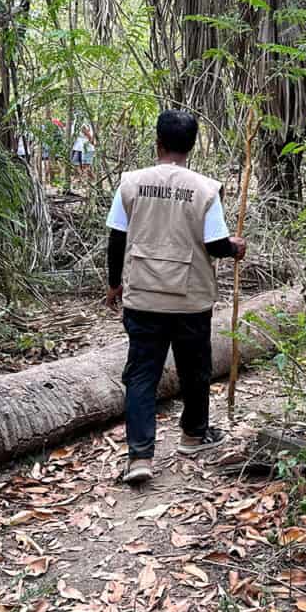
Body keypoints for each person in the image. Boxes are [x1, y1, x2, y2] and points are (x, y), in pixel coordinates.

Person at [104, 110, 247, 484]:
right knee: (194, 369)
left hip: (144, 297)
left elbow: (117, 237)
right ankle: (193, 435)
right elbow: (214, 244)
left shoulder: (131, 184)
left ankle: (140, 457)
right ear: (191, 146)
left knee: (141, 375)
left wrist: (114, 283)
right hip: (190, 298)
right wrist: (234, 248)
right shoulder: (204, 189)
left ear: (158, 142)